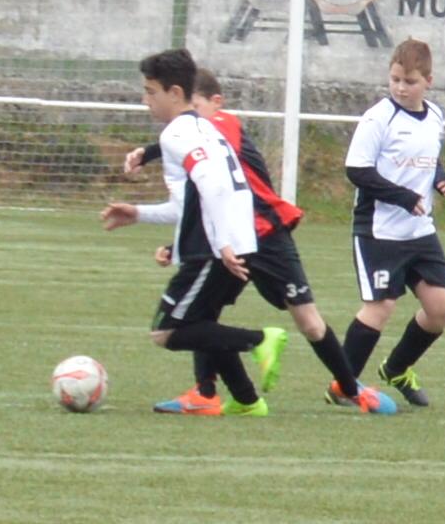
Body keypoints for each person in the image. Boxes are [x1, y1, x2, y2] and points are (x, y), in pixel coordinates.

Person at [127, 68, 395, 415]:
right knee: (202, 316)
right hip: (231, 235)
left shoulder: (219, 125)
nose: (191, 114)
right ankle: (214, 393)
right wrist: (177, 243)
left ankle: (349, 387)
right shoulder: (197, 132)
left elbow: (203, 162)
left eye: (197, 105)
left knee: (309, 321)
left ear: (216, 103)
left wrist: (149, 152)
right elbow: (203, 198)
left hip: (266, 234)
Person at [101, 49, 288, 417]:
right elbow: (188, 204)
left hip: (215, 249)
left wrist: (223, 245)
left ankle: (260, 340)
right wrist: (138, 213)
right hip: (236, 240)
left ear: (174, 93)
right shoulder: (204, 128)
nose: (146, 100)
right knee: (202, 323)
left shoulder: (177, 133)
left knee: (167, 331)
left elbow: (211, 184)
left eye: (150, 92)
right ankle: (247, 401)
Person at [337, 38, 445, 407]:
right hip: (380, 231)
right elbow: (357, 170)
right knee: (381, 306)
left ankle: (397, 368)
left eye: (410, 82)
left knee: (442, 307)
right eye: (395, 80)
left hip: (419, 231)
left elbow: (428, 158)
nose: (401, 88)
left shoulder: (434, 116)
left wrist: (441, 178)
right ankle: (343, 386)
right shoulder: (378, 118)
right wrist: (403, 197)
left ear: (428, 81)